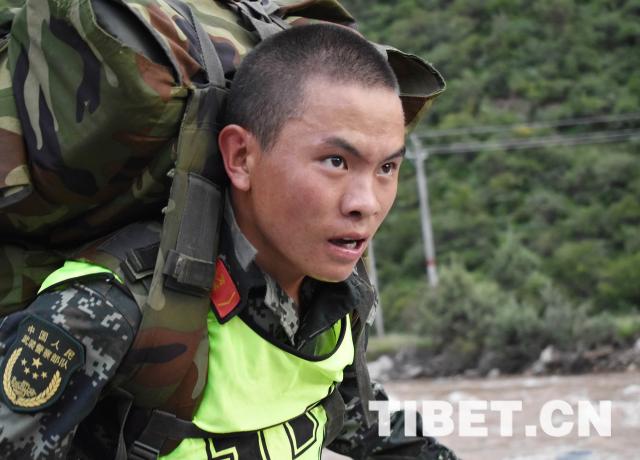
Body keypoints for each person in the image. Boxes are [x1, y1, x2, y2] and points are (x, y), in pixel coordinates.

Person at [0, 23, 458, 460]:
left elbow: (362, 420)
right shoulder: (105, 308)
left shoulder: (334, 295)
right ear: (240, 157)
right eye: (336, 161)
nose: (367, 203)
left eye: (387, 168)